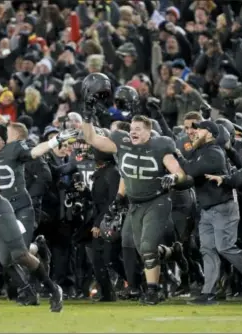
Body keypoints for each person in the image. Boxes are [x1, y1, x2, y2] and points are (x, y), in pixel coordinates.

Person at [81, 72, 188, 305]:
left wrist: (173, 178)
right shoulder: (122, 143)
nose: (134, 131)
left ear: (150, 133)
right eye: (133, 128)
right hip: (134, 203)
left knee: (147, 247)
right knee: (143, 250)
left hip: (157, 201)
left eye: (140, 129)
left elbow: (178, 171)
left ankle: (152, 290)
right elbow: (91, 139)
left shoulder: (161, 145)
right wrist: (87, 113)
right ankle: (172, 253)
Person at [0, 120, 63, 312]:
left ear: (7, 141)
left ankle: (52, 288)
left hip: (15, 208)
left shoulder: (11, 150)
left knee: (20, 253)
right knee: (5, 259)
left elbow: (34, 152)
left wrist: (54, 141)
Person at [176, 120, 242, 305]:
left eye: (199, 129)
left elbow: (190, 170)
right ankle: (208, 293)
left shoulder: (214, 152)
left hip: (223, 207)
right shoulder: (200, 152)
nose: (194, 132)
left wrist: (177, 155)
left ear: (210, 134)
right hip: (207, 209)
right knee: (208, 250)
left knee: (224, 247)